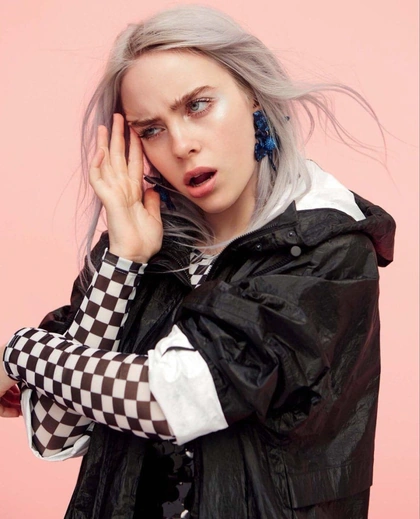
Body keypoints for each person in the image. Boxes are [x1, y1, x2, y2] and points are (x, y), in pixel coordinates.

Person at [0, 5, 395, 519]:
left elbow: (171, 399)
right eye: (151, 130)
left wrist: (17, 352)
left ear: (251, 93)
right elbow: (56, 430)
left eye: (198, 105)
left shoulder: (327, 250)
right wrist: (123, 261)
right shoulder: (144, 245)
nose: (182, 144)